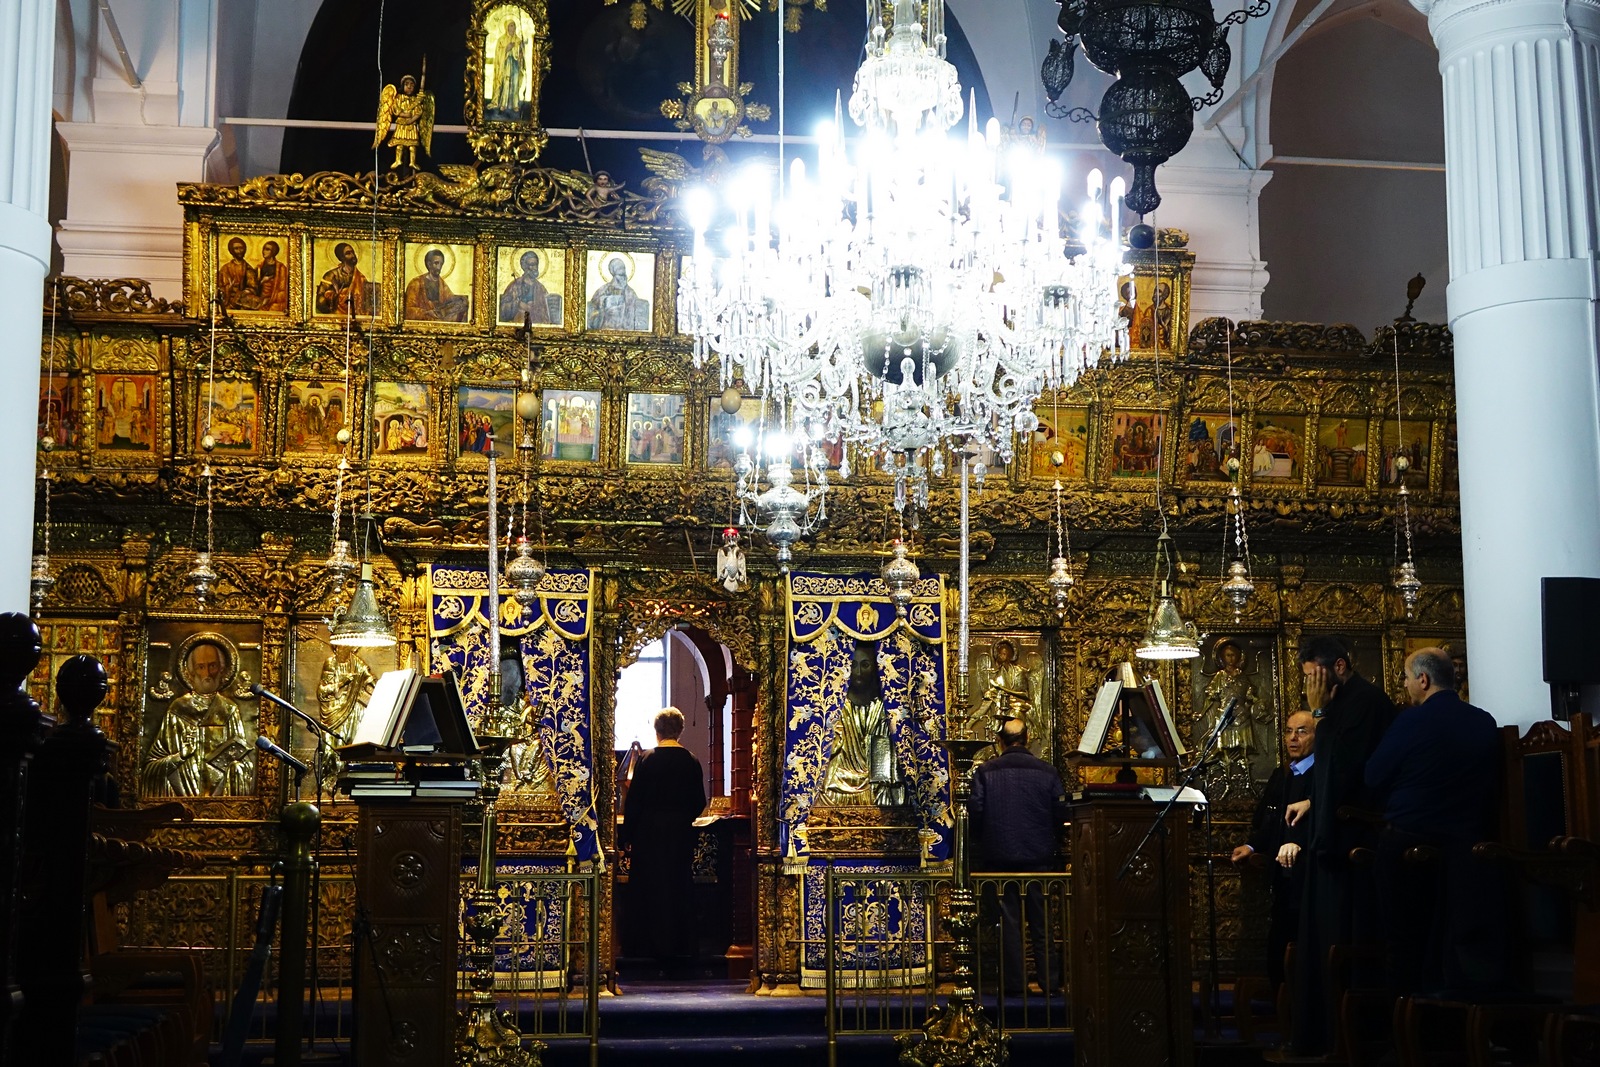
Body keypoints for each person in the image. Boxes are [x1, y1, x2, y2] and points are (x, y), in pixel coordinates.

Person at [1365, 647, 1503, 994]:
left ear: (1423, 680)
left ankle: (1404, 1020)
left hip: (1408, 842)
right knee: (1452, 940)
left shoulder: (1412, 720)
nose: (1407, 685)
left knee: (1401, 940)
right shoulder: (1483, 720)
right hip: (1469, 848)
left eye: (1407, 678)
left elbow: (1373, 775)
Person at [1285, 635, 1395, 1056]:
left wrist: (1319, 713)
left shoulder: (1363, 703)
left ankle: (1346, 1038)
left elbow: (1345, 770)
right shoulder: (1340, 705)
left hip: (1354, 843)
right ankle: (1317, 1034)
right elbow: (1331, 776)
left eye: (1314, 674)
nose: (1309, 684)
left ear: (1340, 667)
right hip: (1330, 835)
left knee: (1343, 940)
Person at [971, 718, 1067, 994]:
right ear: (1027, 739)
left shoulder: (987, 772)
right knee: (1042, 924)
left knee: (1009, 925)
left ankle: (1015, 987)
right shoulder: (1047, 772)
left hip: (999, 859)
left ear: (1000, 741)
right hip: (1039, 859)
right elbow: (1060, 811)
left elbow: (976, 811)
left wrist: (987, 836)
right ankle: (1050, 985)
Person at [1231, 711, 1317, 996]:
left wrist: (1299, 843)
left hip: (1310, 874)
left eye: (1302, 731)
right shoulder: (1283, 775)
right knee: (1279, 943)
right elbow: (1268, 819)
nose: (1293, 738)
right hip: (1282, 876)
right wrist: (1253, 846)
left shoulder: (1322, 776)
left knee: (1301, 942)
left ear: (1318, 736)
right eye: (1289, 731)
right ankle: (1282, 1004)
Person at [622, 707, 706, 964]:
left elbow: (633, 802)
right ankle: (680, 945)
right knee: (678, 885)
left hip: (648, 834)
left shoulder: (647, 760)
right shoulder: (691, 760)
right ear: (680, 731)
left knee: (650, 886)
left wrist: (627, 836)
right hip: (680, 833)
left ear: (657, 731)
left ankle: (646, 946)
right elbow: (699, 801)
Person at [141, 638, 254, 797]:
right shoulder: (177, 709)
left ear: (222, 669)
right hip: (182, 793)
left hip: (221, 795)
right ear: (190, 672)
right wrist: (181, 756)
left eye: (212, 666)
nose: (207, 673)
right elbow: (151, 766)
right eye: (201, 667)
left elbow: (245, 761)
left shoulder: (229, 709)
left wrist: (235, 767)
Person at [819, 640, 902, 806]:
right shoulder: (835, 708)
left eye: (865, 665)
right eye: (853, 665)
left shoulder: (883, 709)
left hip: (876, 787)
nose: (857, 672)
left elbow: (884, 762)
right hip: (837, 786)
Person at [316, 645, 375, 744]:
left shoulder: (357, 663)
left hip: (352, 711)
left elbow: (370, 679)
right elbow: (322, 691)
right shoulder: (331, 663)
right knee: (330, 749)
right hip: (333, 713)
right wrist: (341, 683)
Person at [404, 248, 470, 322]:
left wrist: (461, 301)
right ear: (429, 264)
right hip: (425, 319)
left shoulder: (442, 284)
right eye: (436, 263)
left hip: (440, 318)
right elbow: (408, 310)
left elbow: (449, 301)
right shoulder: (416, 283)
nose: (439, 267)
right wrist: (426, 313)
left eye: (441, 264)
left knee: (462, 301)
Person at [586, 257, 651, 331]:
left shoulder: (629, 291)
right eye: (619, 269)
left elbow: (636, 306)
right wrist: (604, 300)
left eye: (623, 268)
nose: (622, 271)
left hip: (624, 326)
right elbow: (594, 303)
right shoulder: (604, 289)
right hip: (606, 326)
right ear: (613, 271)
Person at [316, 242, 374, 317]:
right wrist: (335, 296)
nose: (353, 255)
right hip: (336, 316)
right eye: (348, 253)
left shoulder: (361, 278)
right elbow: (320, 300)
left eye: (353, 252)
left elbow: (366, 302)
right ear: (341, 257)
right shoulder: (331, 275)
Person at [499, 250, 557, 324]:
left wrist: (534, 308)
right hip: (518, 320)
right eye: (532, 264)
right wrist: (518, 304)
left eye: (536, 264)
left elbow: (546, 311)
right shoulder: (515, 285)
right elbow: (504, 311)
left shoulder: (540, 288)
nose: (534, 268)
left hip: (536, 322)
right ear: (525, 267)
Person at [216, 237, 260, 311]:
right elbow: (219, 286)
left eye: (241, 248)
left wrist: (243, 292)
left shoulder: (247, 268)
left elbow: (253, 286)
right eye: (236, 248)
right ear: (232, 251)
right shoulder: (225, 268)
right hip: (228, 298)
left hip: (242, 298)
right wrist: (228, 288)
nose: (239, 251)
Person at [256, 240, 288, 312]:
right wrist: (262, 281)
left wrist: (270, 299)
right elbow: (254, 286)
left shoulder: (281, 268)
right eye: (264, 249)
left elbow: (283, 290)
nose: (264, 251)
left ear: (273, 251)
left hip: (274, 300)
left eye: (267, 249)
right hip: (260, 299)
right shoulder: (259, 267)